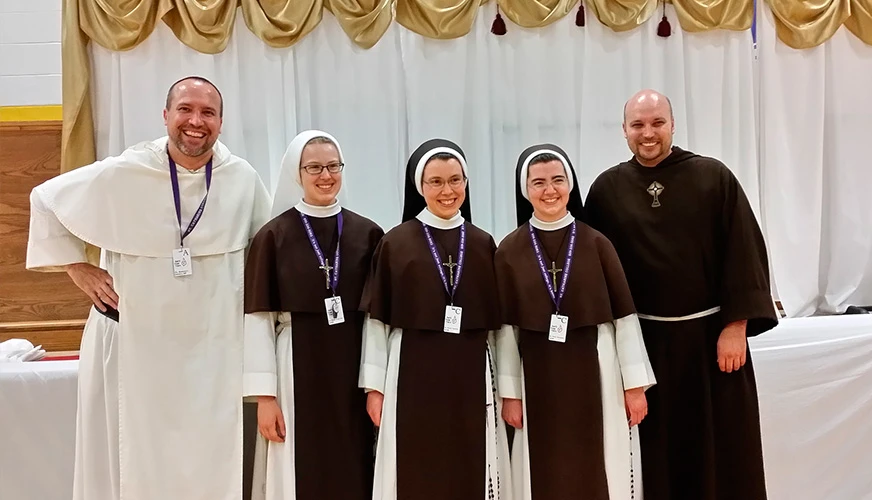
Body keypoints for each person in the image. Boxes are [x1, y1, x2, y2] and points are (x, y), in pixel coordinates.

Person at [25, 76, 272, 500]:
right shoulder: (126, 171)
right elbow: (45, 199)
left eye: (208, 112)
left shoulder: (241, 178)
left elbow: (267, 251)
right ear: (165, 115)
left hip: (213, 351)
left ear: (221, 122)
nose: (196, 121)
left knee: (210, 456)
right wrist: (77, 268)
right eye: (185, 109)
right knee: (133, 455)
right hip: (137, 345)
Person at [582, 89, 779, 500]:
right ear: (623, 130)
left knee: (721, 452)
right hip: (644, 346)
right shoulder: (606, 190)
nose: (648, 133)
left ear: (673, 124)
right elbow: (593, 271)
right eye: (638, 124)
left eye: (657, 122)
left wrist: (736, 326)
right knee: (657, 456)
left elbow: (743, 251)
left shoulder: (713, 177)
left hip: (710, 343)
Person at [494, 144, 656, 500]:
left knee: (600, 464)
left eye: (557, 180)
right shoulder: (509, 250)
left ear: (570, 184)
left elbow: (624, 319)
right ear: (525, 190)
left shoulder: (597, 243)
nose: (549, 190)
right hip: (536, 373)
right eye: (538, 183)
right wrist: (511, 395)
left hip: (598, 369)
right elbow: (506, 331)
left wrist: (634, 386)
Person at [358, 139, 511, 500]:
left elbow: (499, 327)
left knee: (468, 460)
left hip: (469, 370)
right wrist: (375, 388)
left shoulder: (482, 243)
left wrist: (507, 389)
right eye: (436, 182)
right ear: (420, 186)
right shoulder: (396, 243)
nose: (447, 191)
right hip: (411, 370)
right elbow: (378, 323)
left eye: (455, 180)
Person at [243, 130, 384, 499]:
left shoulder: (368, 234)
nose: (326, 176)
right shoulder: (273, 236)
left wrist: (375, 384)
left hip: (352, 364)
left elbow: (377, 318)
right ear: (297, 172)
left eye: (333, 166)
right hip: (295, 363)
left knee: (354, 460)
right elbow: (258, 319)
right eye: (314, 167)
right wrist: (265, 398)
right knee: (298, 464)